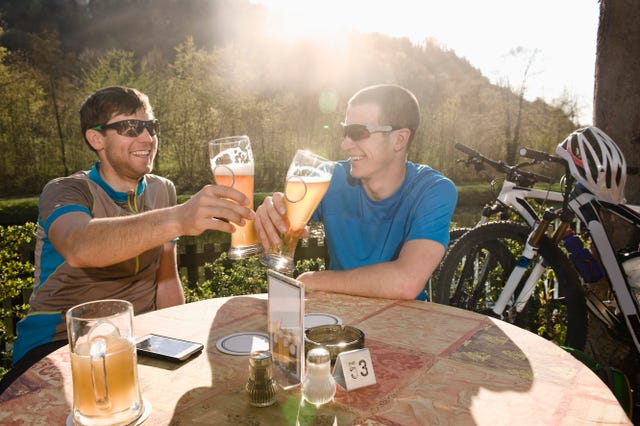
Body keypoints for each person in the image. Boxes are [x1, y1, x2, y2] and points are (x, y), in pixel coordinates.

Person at [11, 86, 255, 367]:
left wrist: (178, 336)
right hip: (59, 343)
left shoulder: (163, 190)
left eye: (152, 127)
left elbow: (166, 279)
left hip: (139, 339)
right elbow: (79, 246)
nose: (148, 138)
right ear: (96, 138)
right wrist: (178, 218)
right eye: (130, 127)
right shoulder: (66, 191)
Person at [255, 84, 457, 300]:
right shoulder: (329, 180)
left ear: (399, 139)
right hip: (337, 318)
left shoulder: (433, 190)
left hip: (402, 322)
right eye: (345, 132)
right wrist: (267, 220)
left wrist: (313, 280)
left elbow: (406, 282)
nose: (345, 145)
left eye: (358, 132)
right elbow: (280, 226)